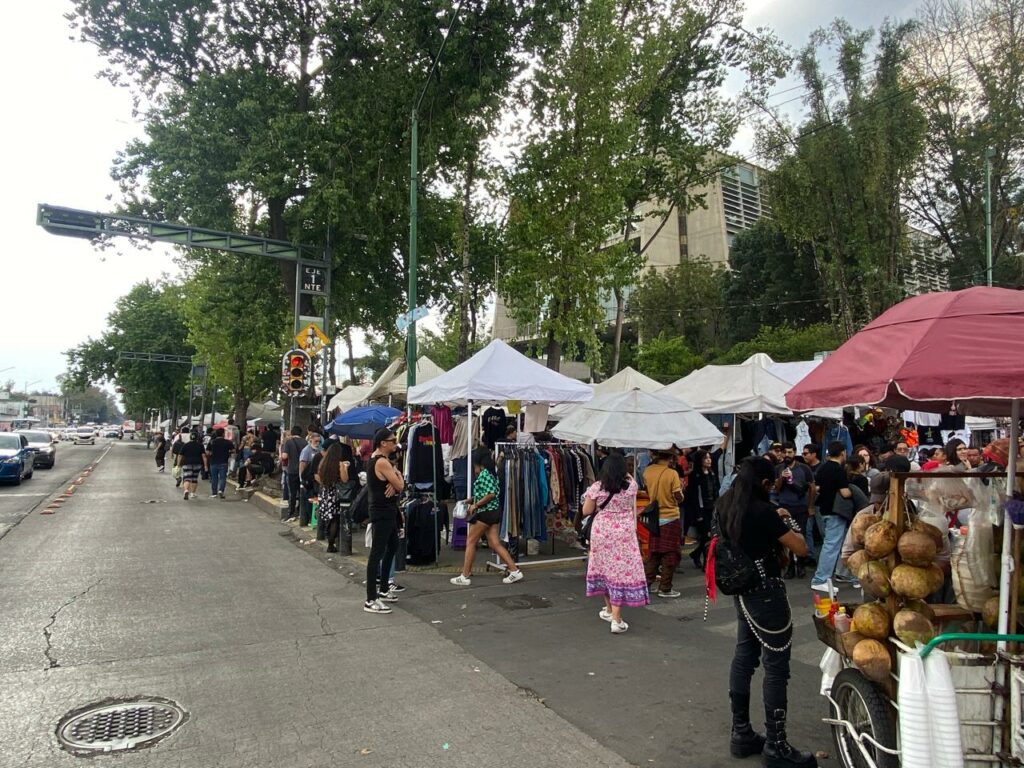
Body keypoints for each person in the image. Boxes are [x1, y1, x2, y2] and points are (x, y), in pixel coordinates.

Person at [717, 457, 816, 768]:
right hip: (767, 593)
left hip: (742, 589)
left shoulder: (725, 504)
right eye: (772, 483)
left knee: (745, 656)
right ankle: (776, 745)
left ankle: (742, 733)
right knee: (776, 666)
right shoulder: (764, 511)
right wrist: (786, 521)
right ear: (763, 484)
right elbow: (801, 548)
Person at [580, 452, 647, 634]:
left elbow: (586, 511)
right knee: (619, 571)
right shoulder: (631, 486)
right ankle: (614, 617)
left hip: (602, 532)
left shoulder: (597, 487)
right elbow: (632, 487)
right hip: (624, 532)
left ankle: (613, 614)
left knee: (604, 569)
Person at [451, 446, 524, 587]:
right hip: (493, 512)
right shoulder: (491, 473)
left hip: (484, 513)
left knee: (471, 541)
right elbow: (489, 492)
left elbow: (490, 494)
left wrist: (476, 505)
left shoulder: (484, 474)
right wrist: (471, 500)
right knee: (494, 543)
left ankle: (465, 575)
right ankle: (514, 570)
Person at [364, 428, 405, 614]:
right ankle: (371, 598)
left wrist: (395, 477)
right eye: (392, 440)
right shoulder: (381, 461)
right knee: (377, 553)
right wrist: (396, 476)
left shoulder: (380, 460)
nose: (395, 443)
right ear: (383, 443)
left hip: (387, 511)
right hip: (381, 512)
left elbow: (396, 485)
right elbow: (400, 486)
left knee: (393, 546)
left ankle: (383, 589)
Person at [810, 441, 852, 594]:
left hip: (823, 509)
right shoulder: (838, 470)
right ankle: (820, 578)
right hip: (835, 511)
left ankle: (848, 575)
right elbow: (845, 492)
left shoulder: (822, 468)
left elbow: (817, 488)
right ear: (843, 453)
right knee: (831, 545)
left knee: (837, 544)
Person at [642, 449, 685, 598]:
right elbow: (678, 496)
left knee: (654, 552)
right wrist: (681, 491)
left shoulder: (647, 471)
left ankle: (646, 584)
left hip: (654, 517)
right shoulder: (671, 473)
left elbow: (647, 490)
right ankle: (665, 587)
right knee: (671, 553)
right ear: (671, 458)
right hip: (670, 516)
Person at [774, 442, 815, 578]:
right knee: (787, 537)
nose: (787, 455)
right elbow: (777, 488)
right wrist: (782, 478)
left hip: (800, 507)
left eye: (790, 452)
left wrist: (810, 506)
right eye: (784, 452)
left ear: (795, 452)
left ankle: (801, 565)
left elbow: (812, 488)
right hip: (785, 506)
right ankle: (790, 566)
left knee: (801, 534)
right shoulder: (778, 468)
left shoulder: (804, 468)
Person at [316, 441, 359, 553]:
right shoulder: (339, 464)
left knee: (329, 518)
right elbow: (345, 479)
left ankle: (329, 540)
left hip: (326, 493)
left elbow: (319, 477)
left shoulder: (323, 463)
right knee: (335, 518)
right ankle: (331, 543)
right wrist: (344, 468)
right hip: (336, 493)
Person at [685, 449, 720, 570]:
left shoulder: (712, 473)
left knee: (710, 536)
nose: (709, 460)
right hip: (701, 509)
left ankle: (696, 554)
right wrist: (698, 513)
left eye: (709, 457)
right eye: (706, 458)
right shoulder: (695, 475)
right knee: (706, 536)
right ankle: (705, 562)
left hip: (712, 507)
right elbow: (694, 496)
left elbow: (716, 490)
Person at [280, 426, 307, 522]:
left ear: (292, 432)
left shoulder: (289, 442)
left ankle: (291, 513)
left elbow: (284, 456)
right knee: (302, 492)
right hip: (303, 471)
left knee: (292, 493)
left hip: (292, 470)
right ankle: (301, 512)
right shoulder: (305, 442)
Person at [175, 427, 208, 501]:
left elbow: (180, 455)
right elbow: (204, 456)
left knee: (187, 478)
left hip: (187, 463)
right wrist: (205, 466)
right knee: (194, 478)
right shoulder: (200, 445)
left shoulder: (186, 445)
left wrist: (178, 464)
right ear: (197, 438)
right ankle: (193, 493)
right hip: (197, 463)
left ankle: (186, 490)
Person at [298, 430, 323, 527]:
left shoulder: (320, 449)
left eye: (319, 441)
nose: (317, 443)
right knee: (309, 499)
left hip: (316, 480)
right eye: (315, 441)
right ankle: (308, 518)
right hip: (308, 480)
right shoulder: (306, 450)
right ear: (311, 440)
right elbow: (302, 465)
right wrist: (302, 480)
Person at [204, 427, 234, 499]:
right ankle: (221, 490)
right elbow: (233, 450)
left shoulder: (212, 442)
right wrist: (228, 452)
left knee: (214, 478)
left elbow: (207, 452)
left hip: (213, 462)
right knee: (222, 478)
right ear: (223, 434)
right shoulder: (228, 442)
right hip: (224, 462)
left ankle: (214, 493)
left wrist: (211, 454)